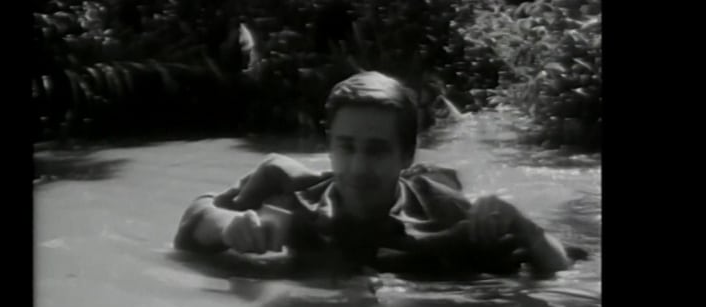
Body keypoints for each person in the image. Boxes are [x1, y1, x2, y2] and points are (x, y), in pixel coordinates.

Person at [173, 71, 571, 277]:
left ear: (406, 155)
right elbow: (193, 221)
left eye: (377, 150)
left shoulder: (447, 215)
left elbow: (559, 270)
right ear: (329, 147)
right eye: (346, 147)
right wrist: (229, 228)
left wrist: (524, 227)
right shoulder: (289, 191)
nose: (359, 167)